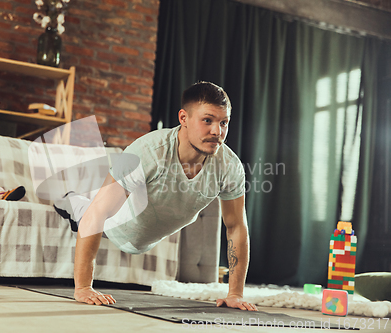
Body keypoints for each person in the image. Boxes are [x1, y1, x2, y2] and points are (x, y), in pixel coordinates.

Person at [54, 82, 257, 311]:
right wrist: (83, 288)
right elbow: (99, 213)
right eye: (207, 120)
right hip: (115, 223)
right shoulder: (149, 152)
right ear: (183, 118)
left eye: (223, 123)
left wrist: (235, 293)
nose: (217, 131)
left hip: (145, 236)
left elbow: (236, 226)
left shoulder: (229, 166)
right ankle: (72, 201)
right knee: (87, 211)